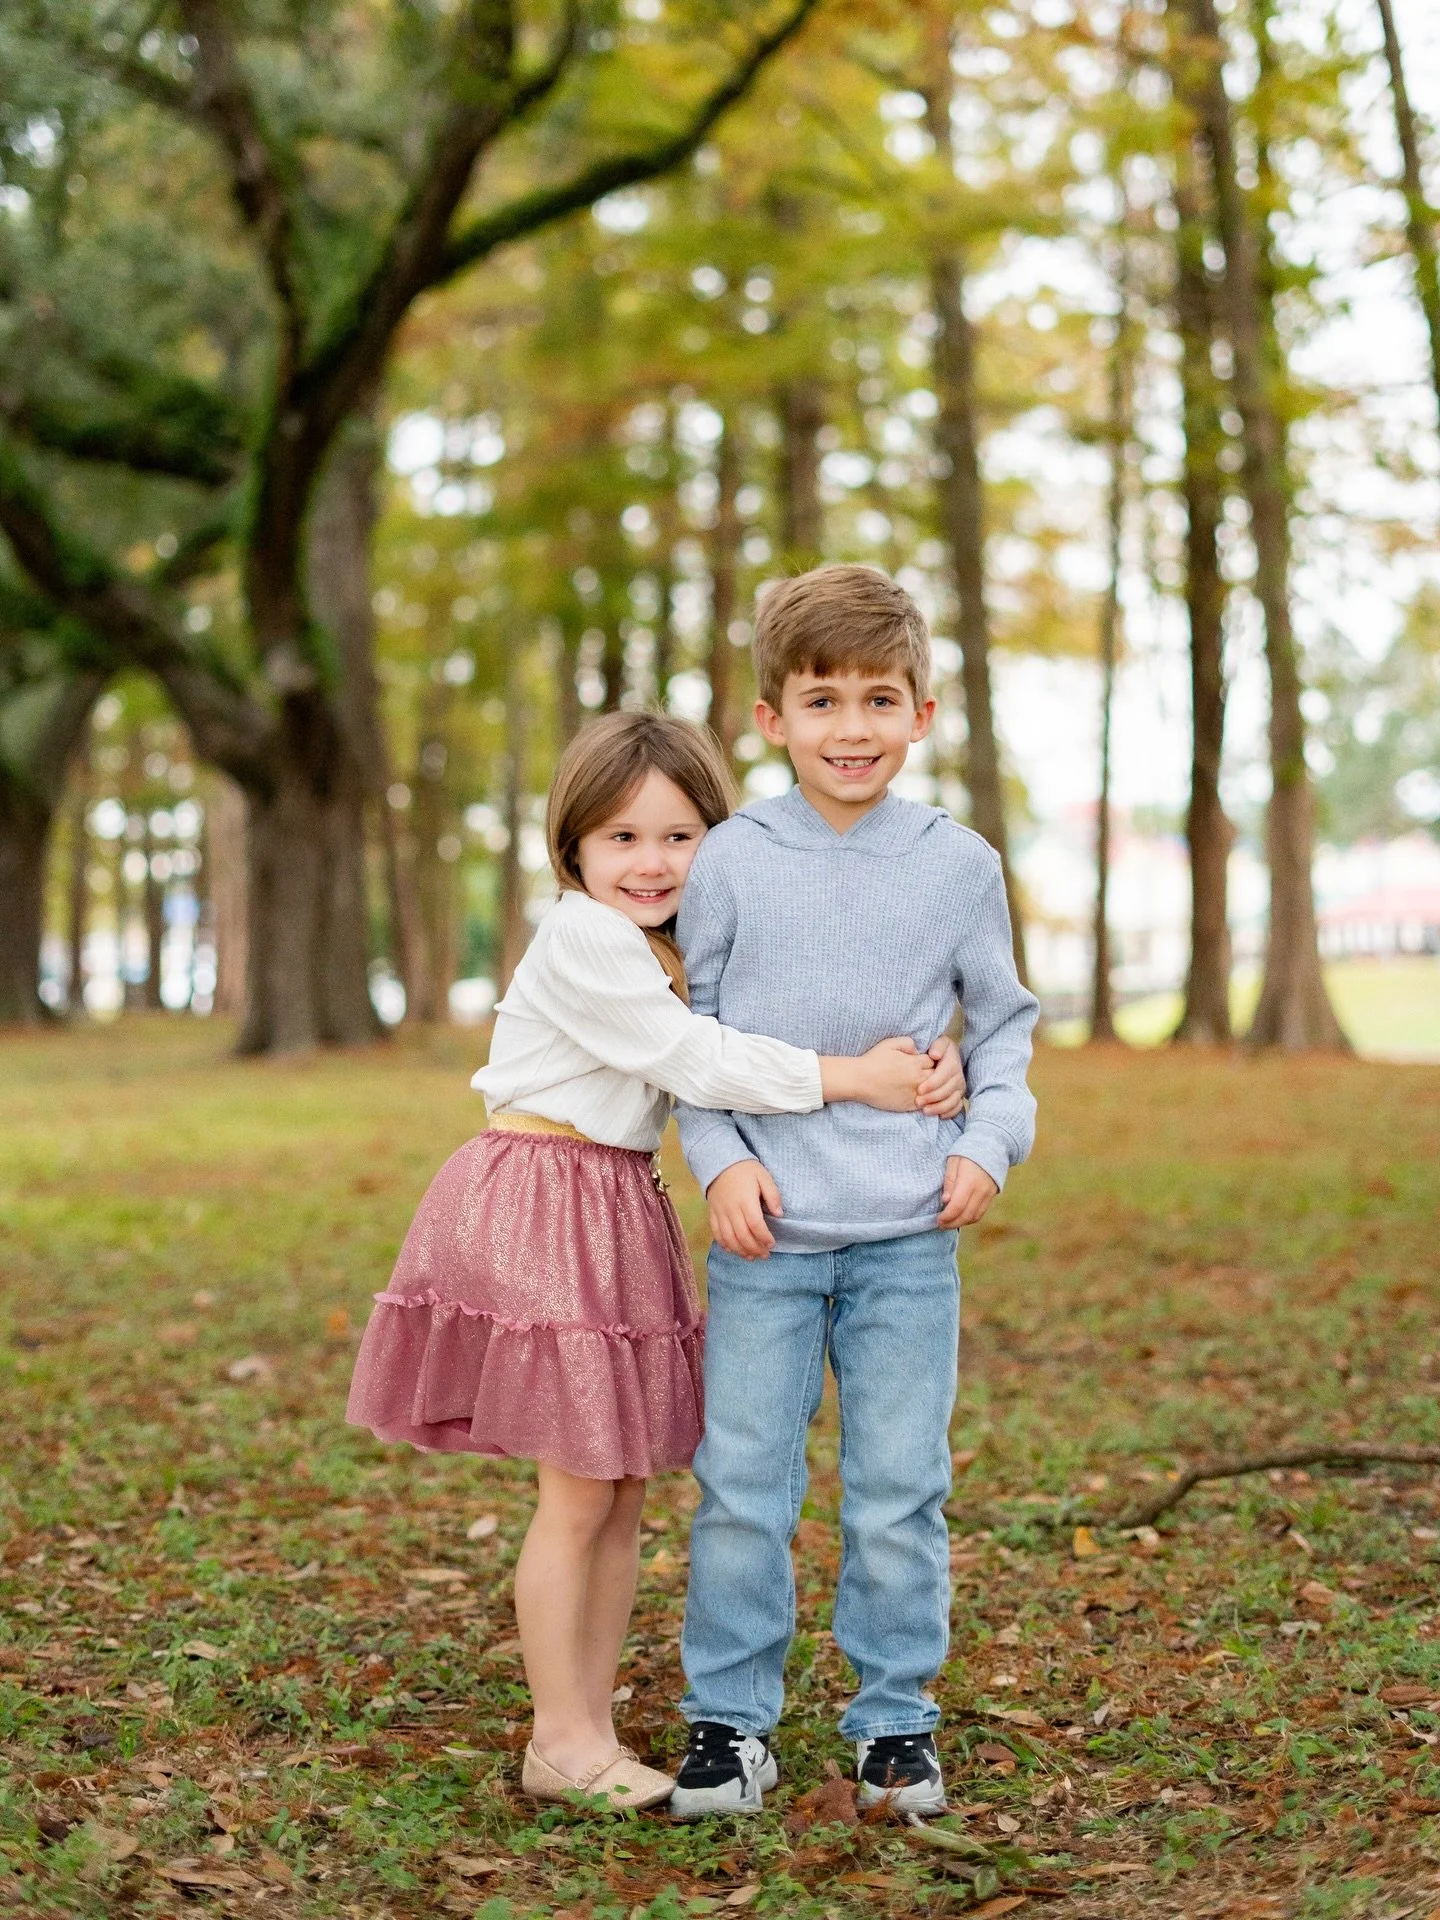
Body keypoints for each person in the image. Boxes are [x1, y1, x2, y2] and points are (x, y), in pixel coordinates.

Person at [346, 711, 968, 1814]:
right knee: (579, 1490)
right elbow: (693, 1057)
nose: (651, 862)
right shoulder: (586, 935)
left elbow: (764, 1011)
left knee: (620, 1487)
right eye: (622, 838)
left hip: (610, 1198)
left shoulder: (668, 942)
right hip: (544, 1198)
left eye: (680, 837)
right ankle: (560, 1737)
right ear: (574, 847)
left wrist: (930, 1052)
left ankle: (586, 1725)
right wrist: (855, 1078)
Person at [669, 566, 1039, 1821]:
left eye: (881, 700)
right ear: (771, 717)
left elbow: (1004, 1026)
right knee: (742, 1488)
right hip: (766, 1236)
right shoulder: (730, 860)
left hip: (906, 1239)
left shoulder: (957, 865)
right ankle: (730, 1722)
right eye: (822, 701)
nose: (852, 728)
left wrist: (988, 1141)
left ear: (923, 714)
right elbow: (694, 1038)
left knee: (895, 1490)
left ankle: (894, 1722)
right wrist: (722, 1162)